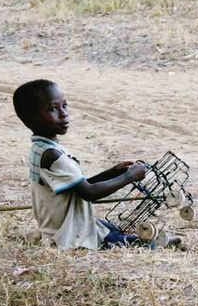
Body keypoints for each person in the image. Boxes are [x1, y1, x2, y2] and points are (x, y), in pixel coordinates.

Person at [12, 79, 148, 250]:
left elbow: (79, 185)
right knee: (120, 239)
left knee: (109, 229)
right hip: (70, 234)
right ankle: (149, 244)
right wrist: (129, 177)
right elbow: (89, 193)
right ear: (30, 120)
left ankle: (137, 241)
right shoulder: (52, 155)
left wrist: (114, 172)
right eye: (53, 109)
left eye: (64, 106)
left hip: (64, 226)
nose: (63, 114)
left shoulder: (42, 148)